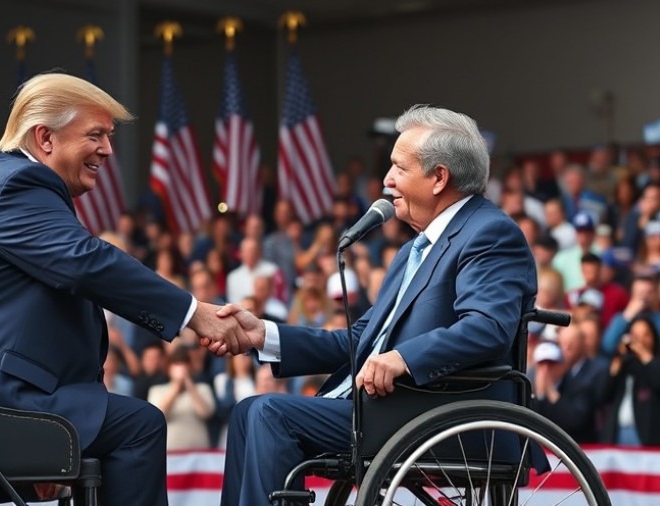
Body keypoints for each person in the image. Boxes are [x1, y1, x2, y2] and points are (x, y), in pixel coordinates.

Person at [0, 71, 247, 506]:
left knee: (117, 424)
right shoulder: (18, 185)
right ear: (45, 139)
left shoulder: (3, 181)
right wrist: (194, 314)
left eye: (109, 136)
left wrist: (58, 447)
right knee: (139, 425)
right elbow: (88, 263)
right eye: (96, 135)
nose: (108, 150)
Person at [208, 105, 538, 505]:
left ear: (438, 178)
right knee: (248, 412)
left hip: (443, 412)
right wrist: (265, 334)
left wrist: (403, 357)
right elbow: (362, 340)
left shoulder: (489, 232)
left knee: (268, 414)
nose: (386, 180)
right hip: (386, 408)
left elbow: (488, 327)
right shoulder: (412, 251)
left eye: (399, 167)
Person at [598, 314, 660, 446]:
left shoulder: (654, 364)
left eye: (645, 335)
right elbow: (602, 396)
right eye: (635, 336)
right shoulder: (624, 365)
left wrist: (645, 356)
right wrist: (618, 360)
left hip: (647, 435)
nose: (640, 341)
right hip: (617, 432)